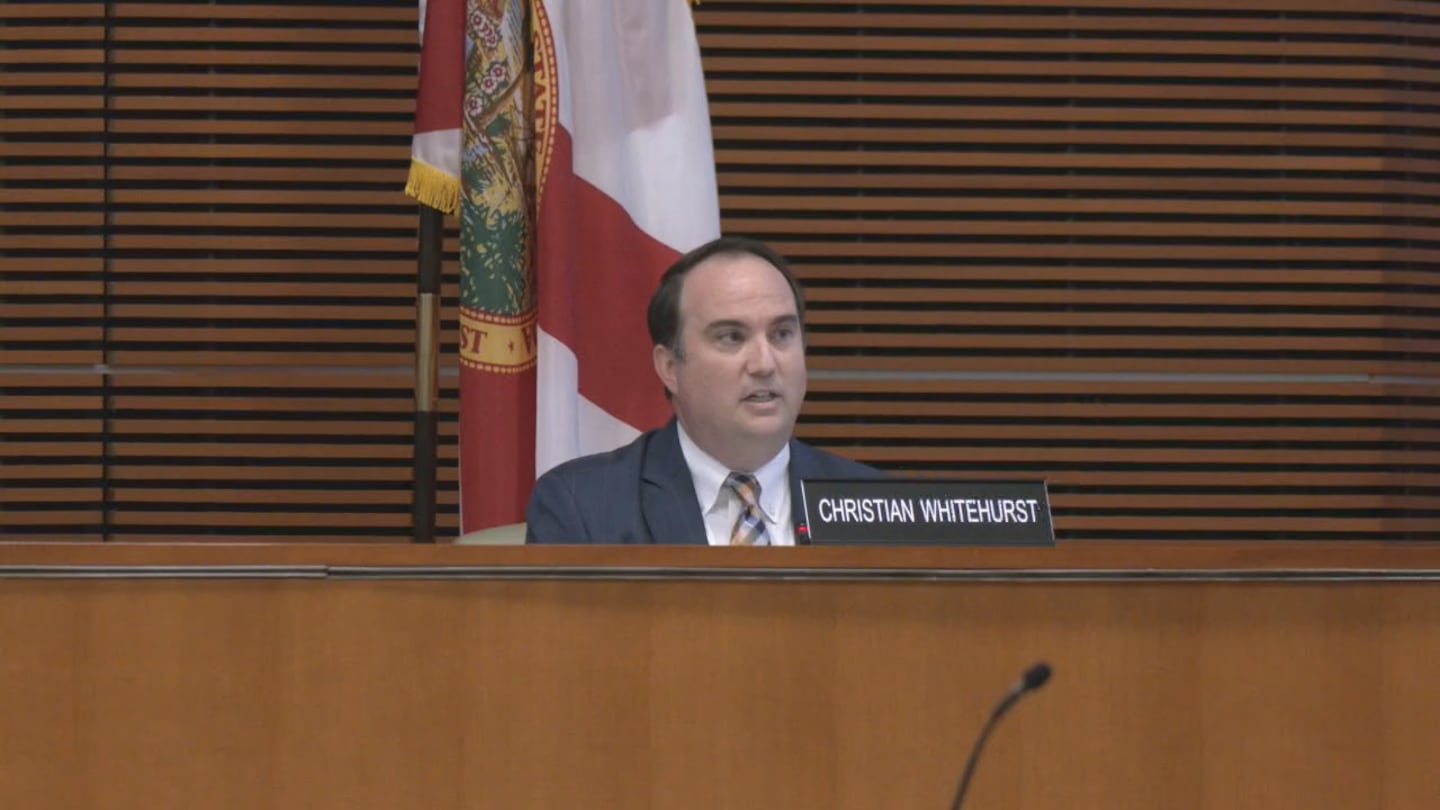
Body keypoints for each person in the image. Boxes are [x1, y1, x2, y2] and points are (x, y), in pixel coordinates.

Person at [525, 235, 881, 544]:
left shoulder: (879, 506)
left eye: (781, 334)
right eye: (731, 337)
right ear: (670, 368)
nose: (764, 363)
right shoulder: (583, 508)